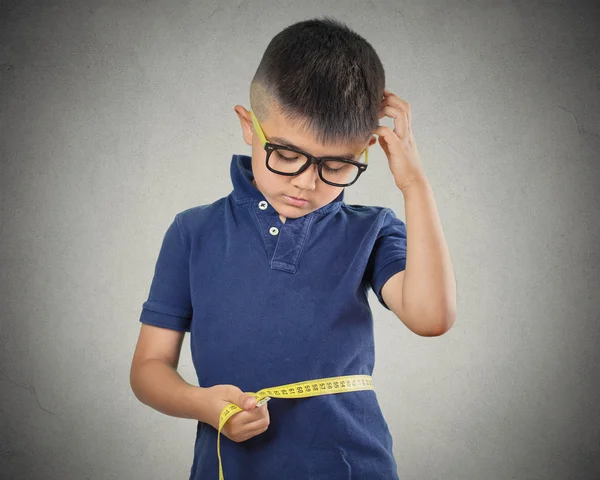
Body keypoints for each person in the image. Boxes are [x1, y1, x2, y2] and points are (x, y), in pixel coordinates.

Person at [130, 16, 456, 480]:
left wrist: (414, 184)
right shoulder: (193, 231)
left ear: (367, 150)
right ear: (249, 126)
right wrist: (201, 404)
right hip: (229, 469)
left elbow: (431, 317)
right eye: (285, 155)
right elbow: (148, 367)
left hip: (353, 468)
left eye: (339, 165)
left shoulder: (373, 231)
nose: (305, 183)